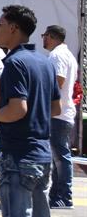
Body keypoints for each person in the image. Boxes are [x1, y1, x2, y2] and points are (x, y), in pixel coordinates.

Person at [0, 5, 61, 217]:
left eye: (0, 25)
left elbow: (17, 109)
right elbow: (55, 108)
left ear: (13, 28)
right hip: (41, 154)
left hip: (18, 155)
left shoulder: (14, 62)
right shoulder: (45, 62)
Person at [41, 24, 76, 209]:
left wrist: (41, 102)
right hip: (62, 113)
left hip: (58, 114)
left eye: (44, 36)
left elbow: (58, 81)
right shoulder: (65, 53)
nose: (43, 40)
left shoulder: (57, 55)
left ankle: (64, 196)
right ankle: (58, 196)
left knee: (60, 157)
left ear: (51, 36)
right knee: (58, 156)